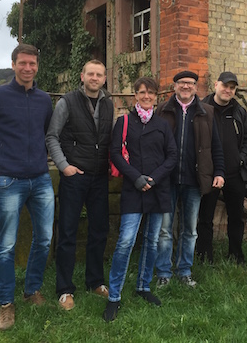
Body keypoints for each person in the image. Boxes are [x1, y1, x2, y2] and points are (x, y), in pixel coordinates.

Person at [0, 43, 55, 331]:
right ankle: (6, 303)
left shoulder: (44, 100)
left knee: (43, 239)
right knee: (6, 246)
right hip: (8, 182)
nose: (28, 68)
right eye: (23, 63)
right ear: (14, 64)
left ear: (37, 66)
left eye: (32, 64)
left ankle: (31, 290)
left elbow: (46, 133)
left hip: (41, 179)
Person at [103, 77, 178, 322]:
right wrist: (136, 178)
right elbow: (115, 152)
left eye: (151, 93)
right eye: (142, 92)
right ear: (135, 95)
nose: (147, 96)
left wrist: (153, 179)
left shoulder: (163, 124)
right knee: (125, 241)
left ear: (156, 97)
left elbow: (172, 156)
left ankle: (143, 286)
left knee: (151, 241)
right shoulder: (123, 122)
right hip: (133, 189)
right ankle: (114, 296)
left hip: (157, 189)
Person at [45, 59, 114, 310]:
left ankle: (95, 281)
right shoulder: (67, 101)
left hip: (99, 177)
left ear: (105, 79)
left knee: (98, 231)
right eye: (90, 74)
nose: (95, 78)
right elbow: (52, 136)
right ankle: (64, 289)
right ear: (82, 76)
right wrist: (64, 166)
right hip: (75, 176)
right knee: (68, 233)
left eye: (99, 74)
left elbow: (110, 138)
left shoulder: (108, 104)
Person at [155, 70, 225, 288]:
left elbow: (216, 145)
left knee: (190, 229)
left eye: (191, 83)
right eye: (182, 83)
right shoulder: (163, 110)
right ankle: (164, 272)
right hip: (167, 179)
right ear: (174, 86)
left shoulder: (207, 112)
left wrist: (219, 172)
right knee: (165, 229)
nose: (186, 87)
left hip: (194, 180)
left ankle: (184, 271)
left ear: (197, 87)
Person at [197, 72, 247, 264]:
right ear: (216, 85)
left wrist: (241, 158)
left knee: (236, 217)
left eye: (232, 87)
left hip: (234, 174)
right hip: (209, 173)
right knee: (205, 217)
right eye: (225, 85)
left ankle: (236, 255)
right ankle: (205, 257)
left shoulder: (238, 112)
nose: (228, 90)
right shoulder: (202, 109)